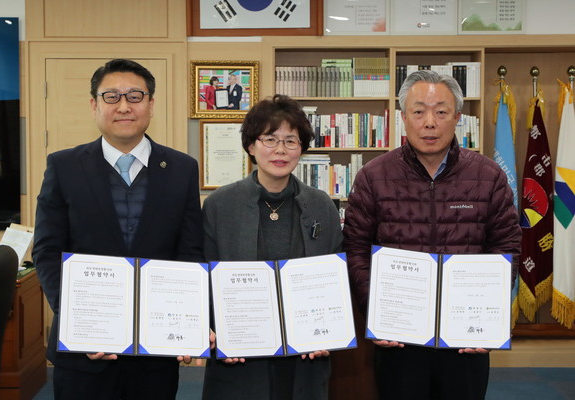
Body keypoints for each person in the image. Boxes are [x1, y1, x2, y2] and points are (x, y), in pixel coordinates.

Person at [343, 70, 521, 400]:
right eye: (419, 111)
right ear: (402, 118)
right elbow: (356, 247)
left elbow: (506, 245)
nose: (429, 123)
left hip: (465, 337)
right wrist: (375, 311)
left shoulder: (488, 175)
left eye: (441, 111)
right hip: (399, 336)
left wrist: (488, 310)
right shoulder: (373, 176)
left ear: (458, 118)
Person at [32, 58, 204, 400]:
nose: (124, 106)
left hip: (154, 352)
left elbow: (189, 253)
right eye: (112, 96)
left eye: (135, 96)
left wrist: (187, 324)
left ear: (151, 105)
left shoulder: (182, 168)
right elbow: (47, 251)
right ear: (95, 105)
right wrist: (78, 322)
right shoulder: (64, 166)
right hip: (85, 353)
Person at [201, 94, 342, 399]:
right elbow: (204, 277)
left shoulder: (321, 206)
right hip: (239, 356)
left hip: (306, 354)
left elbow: (335, 280)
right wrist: (215, 330)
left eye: (291, 141)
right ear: (251, 146)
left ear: (301, 148)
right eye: (269, 139)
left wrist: (330, 328)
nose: (280, 149)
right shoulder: (219, 205)